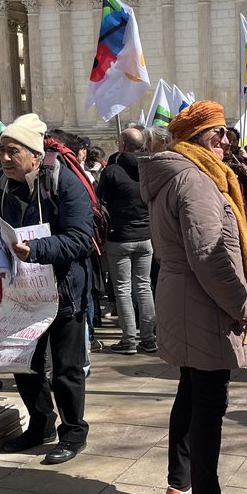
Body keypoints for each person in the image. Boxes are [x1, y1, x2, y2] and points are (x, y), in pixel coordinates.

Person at [140, 101, 247, 494]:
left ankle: (180, 485)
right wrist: (241, 304)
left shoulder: (180, 173)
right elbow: (210, 256)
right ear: (194, 139)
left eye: (226, 132)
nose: (226, 140)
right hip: (202, 301)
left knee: (191, 393)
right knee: (208, 404)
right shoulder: (195, 180)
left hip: (183, 296)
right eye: (217, 133)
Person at [0, 113, 94, 465]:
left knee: (67, 367)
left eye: (13, 151)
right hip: (23, 292)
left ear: (34, 155)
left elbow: (80, 240)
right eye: (2, 150)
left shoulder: (66, 185)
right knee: (25, 362)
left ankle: (74, 432)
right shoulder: (0, 186)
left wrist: (35, 250)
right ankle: (40, 426)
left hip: (65, 290)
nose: (5, 158)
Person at [95, 127, 156, 355]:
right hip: (145, 236)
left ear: (122, 146)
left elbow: (99, 202)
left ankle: (129, 340)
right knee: (144, 286)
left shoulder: (112, 171)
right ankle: (148, 338)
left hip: (119, 238)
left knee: (122, 289)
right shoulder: (151, 168)